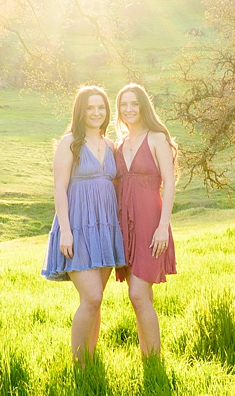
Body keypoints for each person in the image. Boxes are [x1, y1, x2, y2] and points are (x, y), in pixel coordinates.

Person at [40, 84, 127, 361]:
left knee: (95, 302)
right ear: (80, 110)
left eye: (100, 107)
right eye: (90, 107)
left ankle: (90, 360)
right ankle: (79, 366)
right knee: (91, 299)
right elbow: (59, 188)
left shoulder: (112, 146)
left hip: (104, 229)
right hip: (77, 227)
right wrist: (65, 231)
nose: (96, 112)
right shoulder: (70, 142)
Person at [112, 82, 178, 356]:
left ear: (143, 106)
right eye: (123, 105)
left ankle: (153, 361)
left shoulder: (156, 137)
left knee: (137, 295)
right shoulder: (119, 143)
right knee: (142, 297)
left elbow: (170, 183)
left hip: (151, 225)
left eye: (133, 103)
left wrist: (163, 226)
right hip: (125, 226)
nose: (128, 109)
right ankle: (148, 359)